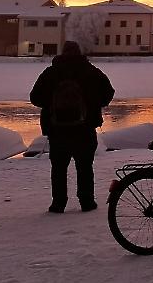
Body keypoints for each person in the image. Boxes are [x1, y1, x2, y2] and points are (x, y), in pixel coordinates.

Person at [30, 40, 115, 213]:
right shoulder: (91, 72)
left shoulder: (51, 73)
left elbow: (35, 98)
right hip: (85, 129)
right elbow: (109, 92)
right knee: (84, 167)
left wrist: (52, 105)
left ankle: (58, 203)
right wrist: (93, 105)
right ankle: (87, 202)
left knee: (59, 168)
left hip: (57, 130)